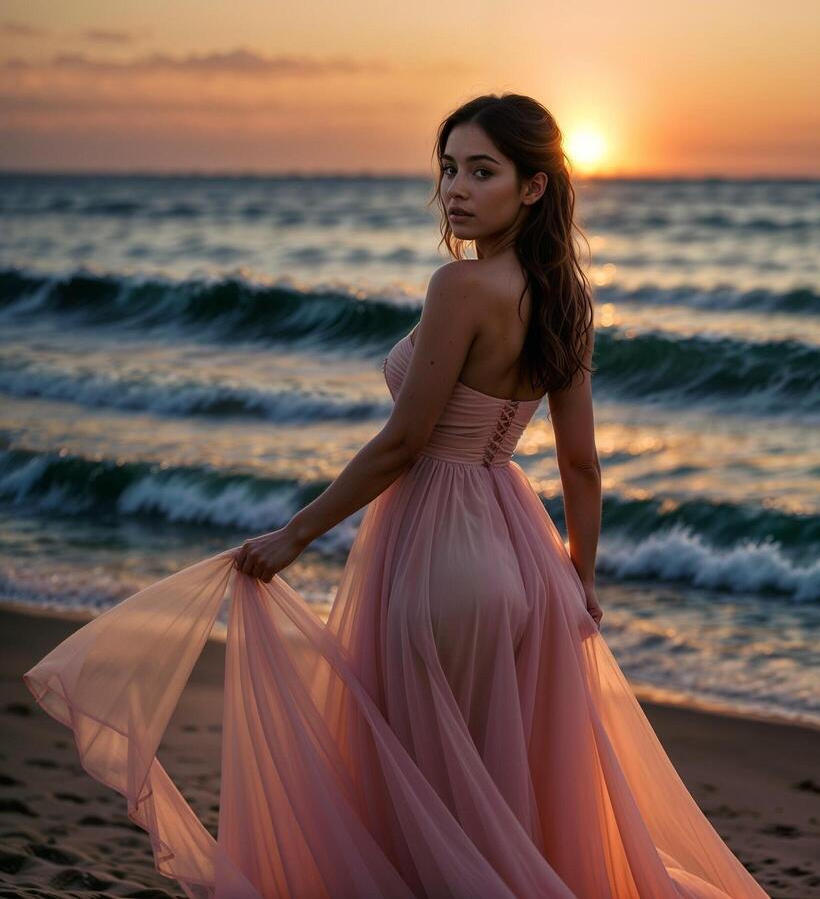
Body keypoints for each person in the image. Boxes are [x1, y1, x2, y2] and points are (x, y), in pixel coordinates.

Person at [23, 94, 770, 898]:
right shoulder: (568, 301)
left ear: (533, 187)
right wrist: (578, 579)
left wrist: (295, 534)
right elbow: (582, 465)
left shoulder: (460, 285)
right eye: (448, 167)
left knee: (425, 796)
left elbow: (406, 442)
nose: (456, 187)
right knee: (490, 800)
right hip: (525, 565)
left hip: (436, 555)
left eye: (483, 170)